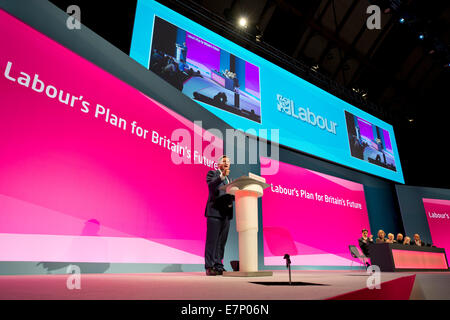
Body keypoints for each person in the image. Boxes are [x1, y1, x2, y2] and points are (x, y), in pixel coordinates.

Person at [204, 155, 234, 276]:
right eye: (225, 161)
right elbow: (212, 187)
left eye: (229, 162)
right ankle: (209, 266)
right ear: (219, 164)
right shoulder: (213, 174)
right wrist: (221, 176)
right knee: (212, 241)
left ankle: (218, 265)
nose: (227, 163)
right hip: (214, 213)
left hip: (226, 215)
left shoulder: (229, 180)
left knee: (221, 242)